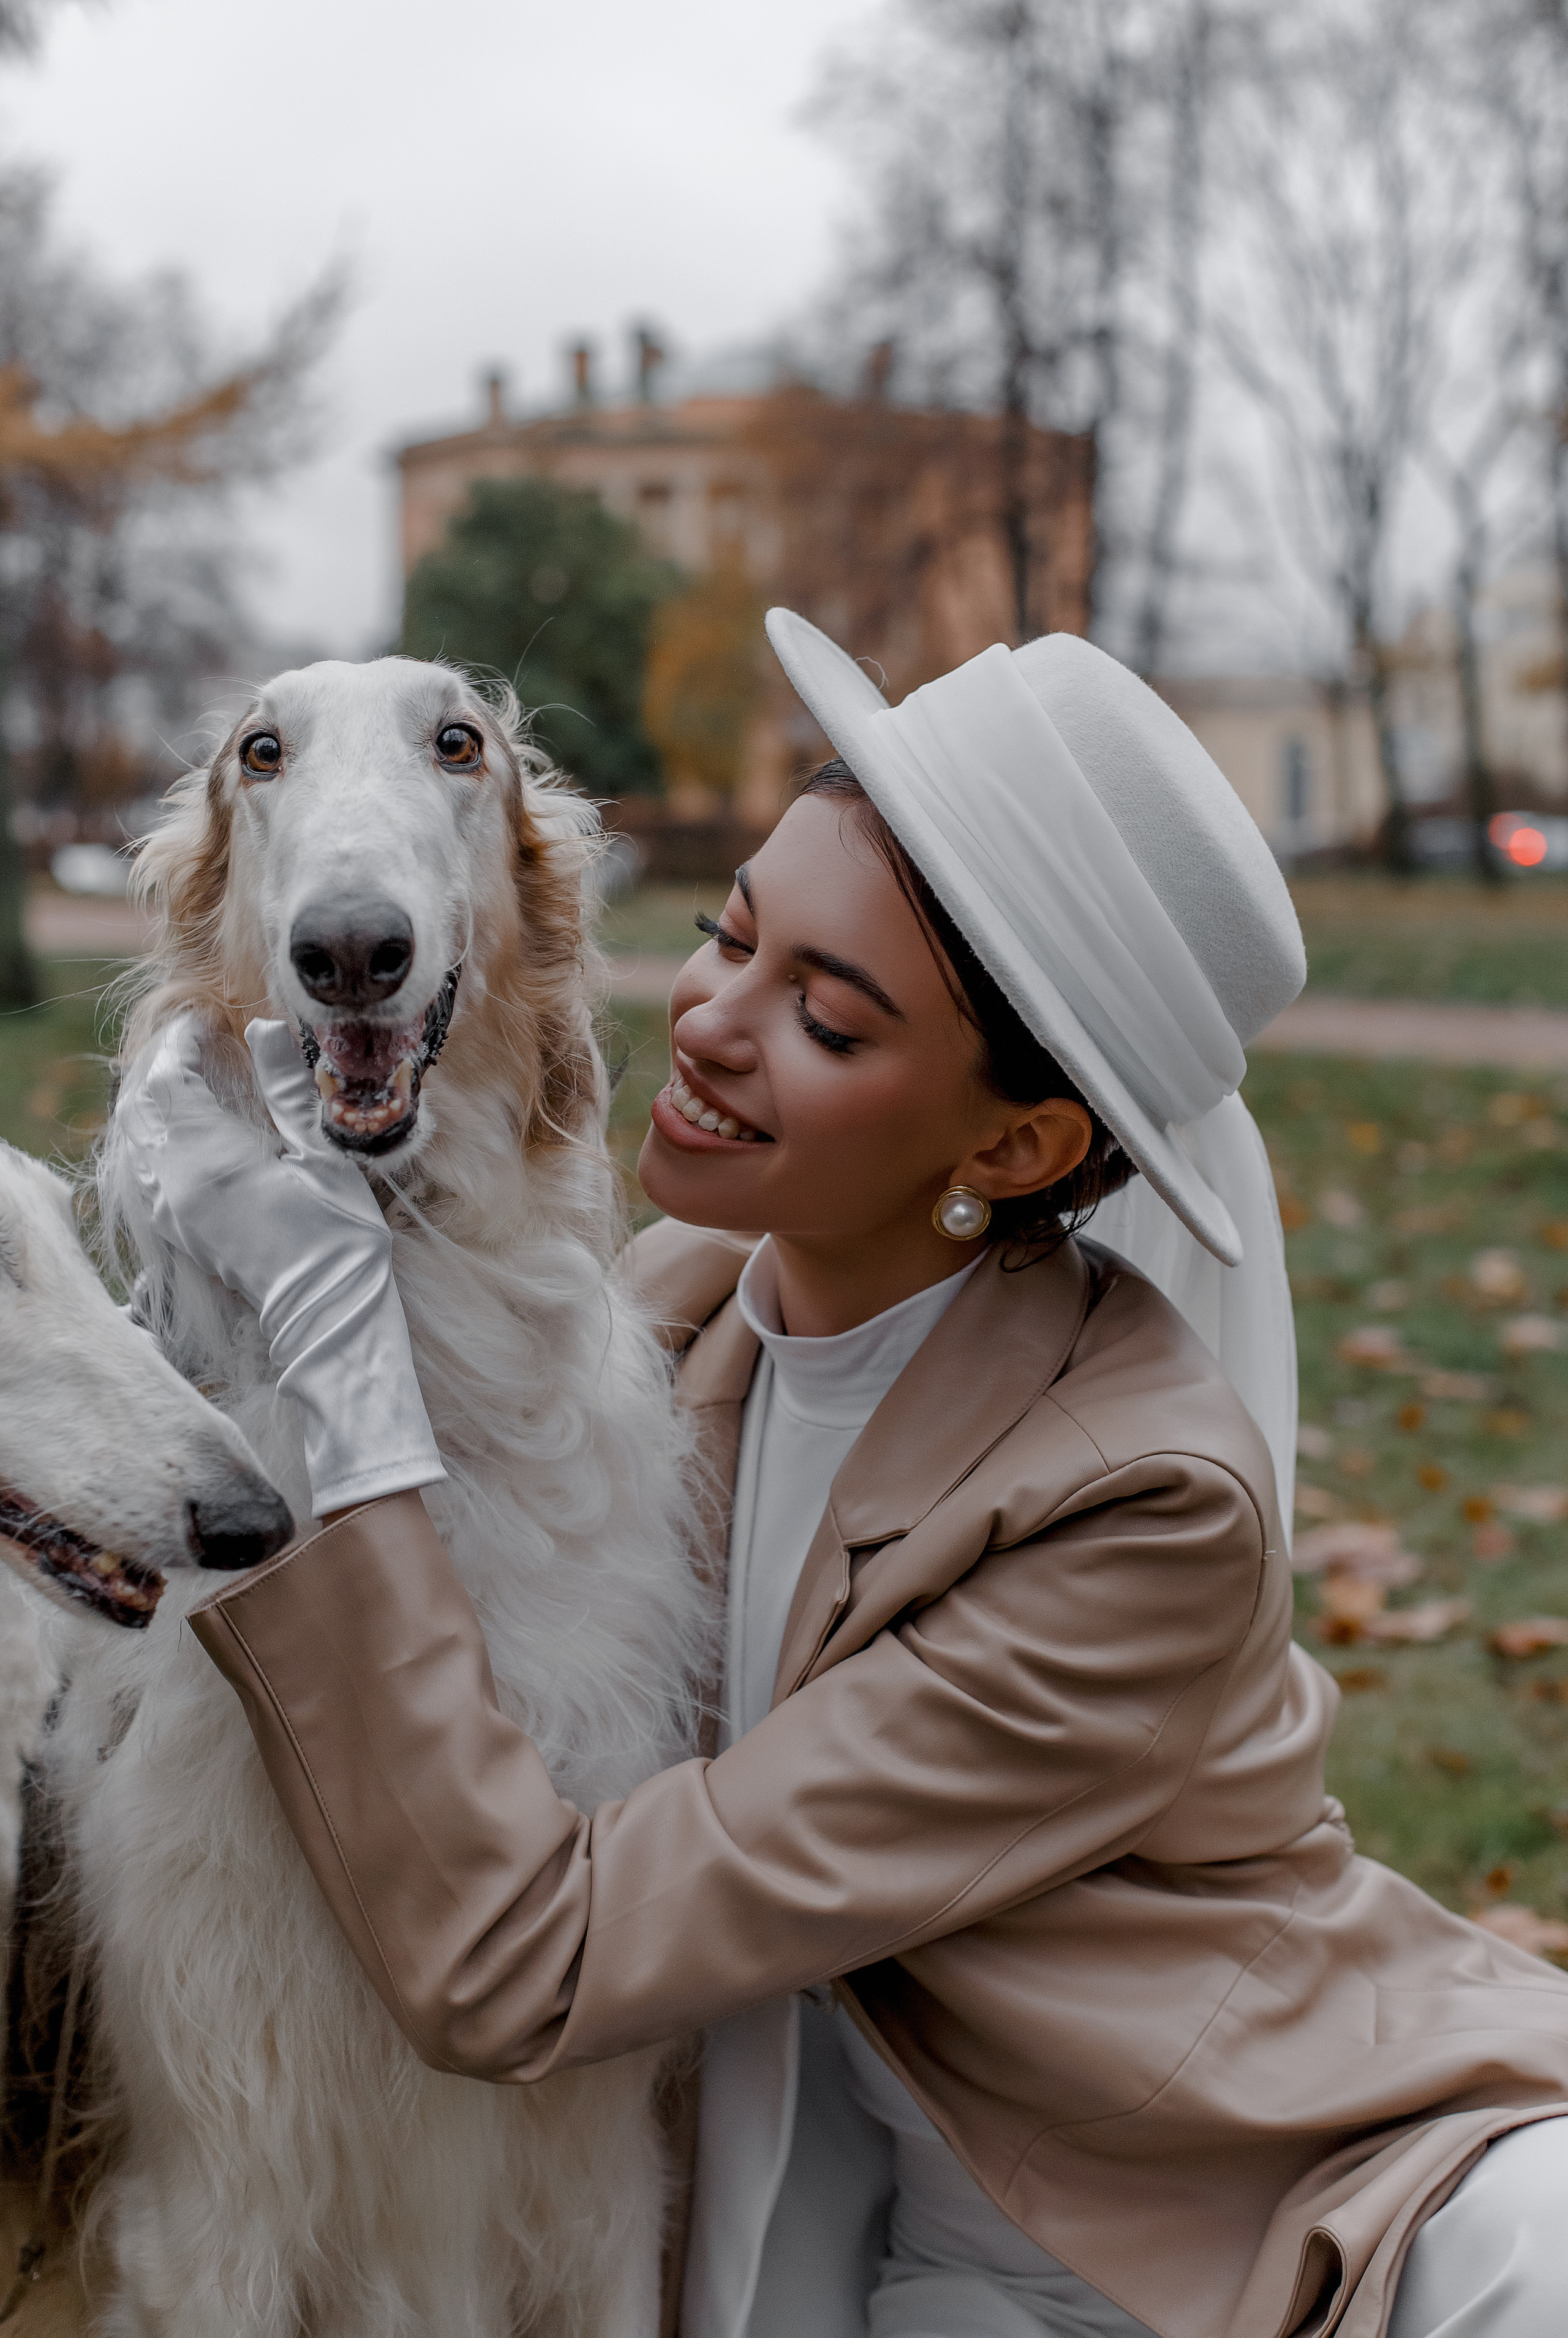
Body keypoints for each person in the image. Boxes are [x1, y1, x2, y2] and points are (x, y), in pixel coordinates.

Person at [123, 613, 1568, 2338]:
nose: (716, 1024)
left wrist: (339, 1337)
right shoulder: (673, 1319)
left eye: (826, 1015)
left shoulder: (1140, 1514)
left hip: (1226, 2235)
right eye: (733, 931)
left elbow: (534, 1962)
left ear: (1014, 1147)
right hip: (854, 2214)